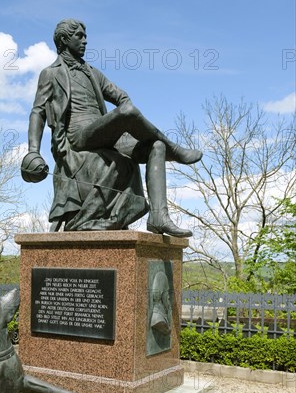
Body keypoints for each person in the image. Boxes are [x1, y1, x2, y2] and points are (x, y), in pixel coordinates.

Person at [21, 19, 202, 236]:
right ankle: (176, 151)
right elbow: (37, 111)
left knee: (157, 145)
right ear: (64, 40)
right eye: (79, 36)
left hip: (103, 132)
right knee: (128, 113)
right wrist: (33, 151)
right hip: (79, 135)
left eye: (85, 36)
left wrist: (121, 122)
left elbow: (121, 96)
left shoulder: (92, 73)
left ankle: (158, 217)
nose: (85, 41)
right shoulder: (51, 73)